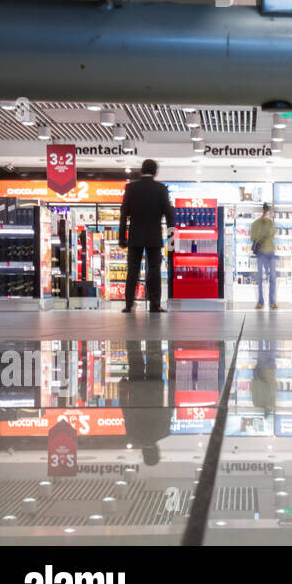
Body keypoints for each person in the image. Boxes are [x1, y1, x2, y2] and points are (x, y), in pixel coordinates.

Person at [119, 159, 174, 314]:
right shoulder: (161, 189)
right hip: (154, 237)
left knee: (133, 270)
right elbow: (169, 215)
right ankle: (154, 304)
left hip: (135, 236)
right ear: (155, 172)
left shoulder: (131, 188)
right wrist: (171, 239)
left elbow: (123, 215)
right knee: (154, 270)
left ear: (141, 171)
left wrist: (121, 237)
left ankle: (129, 304)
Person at [120, 337, 170, 466]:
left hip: (155, 387)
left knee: (154, 352)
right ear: (144, 453)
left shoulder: (163, 431)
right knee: (134, 354)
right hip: (136, 389)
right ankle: (131, 321)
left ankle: (154, 319)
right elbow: (125, 409)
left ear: (157, 451)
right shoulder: (133, 434)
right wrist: (123, 390)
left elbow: (169, 408)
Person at [251, 203, 278, 310]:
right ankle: (264, 302)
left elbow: (257, 237)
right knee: (266, 279)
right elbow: (255, 237)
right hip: (264, 253)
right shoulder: (257, 224)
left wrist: (260, 237)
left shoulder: (268, 223)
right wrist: (263, 236)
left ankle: (268, 302)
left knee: (268, 278)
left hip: (268, 253)